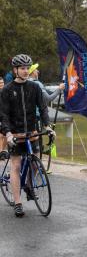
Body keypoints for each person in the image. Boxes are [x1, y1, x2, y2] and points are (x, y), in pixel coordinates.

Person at [0, 54, 55, 217]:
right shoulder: (7, 90)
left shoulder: (35, 87)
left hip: (32, 133)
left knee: (35, 163)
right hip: (15, 134)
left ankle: (29, 185)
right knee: (16, 166)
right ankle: (18, 202)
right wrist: (8, 133)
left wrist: (47, 126)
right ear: (15, 70)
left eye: (27, 68)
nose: (25, 71)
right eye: (22, 68)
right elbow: (3, 115)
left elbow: (43, 108)